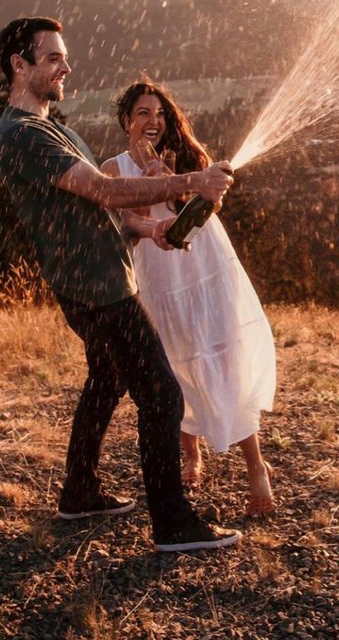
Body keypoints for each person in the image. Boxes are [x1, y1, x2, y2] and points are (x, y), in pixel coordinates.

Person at [0, 16, 242, 553]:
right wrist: (194, 180)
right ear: (20, 64)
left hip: (92, 280)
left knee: (106, 381)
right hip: (99, 289)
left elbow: (93, 208)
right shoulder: (23, 135)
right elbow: (103, 190)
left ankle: (79, 492)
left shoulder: (49, 125)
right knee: (162, 397)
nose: (66, 66)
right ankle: (173, 523)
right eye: (53, 57)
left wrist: (151, 227)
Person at [100, 81, 276, 517]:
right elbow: (130, 223)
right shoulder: (114, 167)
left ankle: (257, 466)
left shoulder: (186, 157)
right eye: (142, 113)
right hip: (159, 274)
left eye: (159, 113)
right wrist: (150, 185)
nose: (152, 121)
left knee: (223, 356)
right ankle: (191, 452)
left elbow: (207, 210)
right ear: (127, 121)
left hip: (204, 267)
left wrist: (183, 188)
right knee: (175, 362)